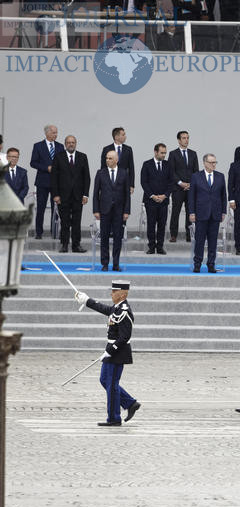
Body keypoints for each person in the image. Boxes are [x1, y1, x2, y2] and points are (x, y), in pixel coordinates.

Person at [74, 280, 141, 427]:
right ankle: (130, 403)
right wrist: (87, 301)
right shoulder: (117, 308)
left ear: (123, 294)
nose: (111, 293)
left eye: (114, 291)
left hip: (118, 352)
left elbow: (125, 337)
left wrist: (110, 351)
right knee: (105, 380)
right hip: (112, 351)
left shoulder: (125, 311)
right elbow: (105, 309)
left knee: (111, 384)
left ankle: (114, 418)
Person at [93, 151, 131, 272]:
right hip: (104, 210)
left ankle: (116, 264)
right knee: (104, 237)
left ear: (116, 160)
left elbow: (127, 194)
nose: (107, 160)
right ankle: (104, 263)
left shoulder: (124, 173)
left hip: (119, 211)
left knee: (117, 238)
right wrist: (96, 210)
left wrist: (126, 211)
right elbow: (95, 194)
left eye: (110, 158)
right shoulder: (100, 173)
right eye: (106, 158)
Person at [50, 136, 90, 253]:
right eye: (68, 143)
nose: (71, 144)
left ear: (76, 143)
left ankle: (76, 245)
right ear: (65, 144)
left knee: (77, 222)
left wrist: (85, 195)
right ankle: (64, 244)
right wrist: (55, 195)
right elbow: (54, 178)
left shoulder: (82, 157)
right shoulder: (58, 157)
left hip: (78, 196)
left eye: (73, 142)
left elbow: (86, 177)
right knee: (65, 222)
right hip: (63, 196)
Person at [189, 154, 227, 273]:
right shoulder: (196, 176)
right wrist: (192, 212)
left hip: (215, 213)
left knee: (213, 241)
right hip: (201, 213)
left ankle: (211, 264)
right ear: (205, 163)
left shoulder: (220, 176)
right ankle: (197, 264)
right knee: (199, 241)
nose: (213, 164)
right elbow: (191, 196)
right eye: (211, 162)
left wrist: (223, 211)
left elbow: (223, 196)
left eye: (215, 162)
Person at [30, 124, 64, 239]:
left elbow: (62, 163)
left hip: (57, 182)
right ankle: (39, 232)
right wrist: (46, 167)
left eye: (56, 132)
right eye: (54, 132)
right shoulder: (38, 146)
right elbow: (33, 163)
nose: (56, 134)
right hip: (42, 182)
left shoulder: (60, 146)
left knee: (56, 208)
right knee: (41, 207)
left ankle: (54, 232)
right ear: (47, 133)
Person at [140, 143, 173, 255]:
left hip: (163, 201)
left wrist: (165, 195)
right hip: (150, 200)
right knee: (151, 224)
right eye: (162, 153)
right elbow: (144, 182)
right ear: (155, 152)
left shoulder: (168, 165)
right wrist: (153, 196)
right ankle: (151, 247)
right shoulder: (147, 164)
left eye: (165, 153)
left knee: (162, 225)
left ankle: (160, 247)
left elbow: (171, 182)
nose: (164, 155)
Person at [168, 131, 199, 243]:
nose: (186, 140)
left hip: (191, 188)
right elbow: (171, 172)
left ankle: (189, 234)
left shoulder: (193, 153)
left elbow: (196, 171)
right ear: (179, 140)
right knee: (175, 211)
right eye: (184, 138)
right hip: (177, 188)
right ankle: (173, 235)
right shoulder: (173, 154)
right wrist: (180, 183)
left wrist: (191, 184)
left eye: (187, 138)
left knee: (190, 211)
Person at [100, 127, 135, 194]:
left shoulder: (128, 149)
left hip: (124, 182)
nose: (125, 136)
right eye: (123, 135)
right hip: (109, 183)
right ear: (116, 137)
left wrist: (131, 185)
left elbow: (131, 168)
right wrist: (103, 184)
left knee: (123, 203)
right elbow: (103, 167)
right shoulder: (106, 149)